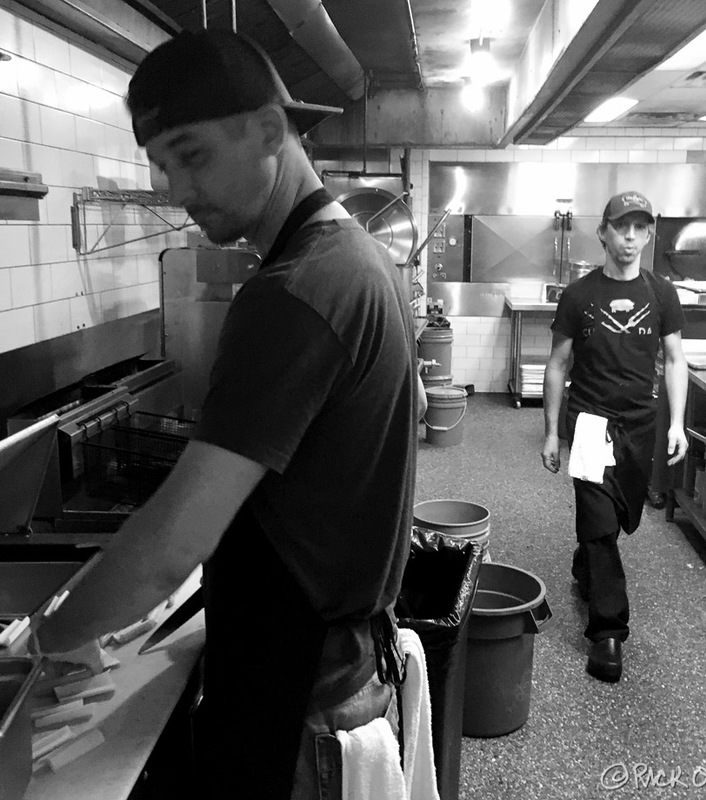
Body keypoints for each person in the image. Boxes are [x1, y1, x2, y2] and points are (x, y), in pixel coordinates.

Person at [32, 29, 418, 799]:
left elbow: (172, 544)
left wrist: (46, 640)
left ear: (271, 131)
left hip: (300, 712)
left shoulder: (295, 291)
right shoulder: (359, 257)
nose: (177, 188)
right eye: (164, 165)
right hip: (338, 672)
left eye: (193, 155)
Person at [541, 190, 688, 683]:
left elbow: (674, 360)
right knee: (601, 522)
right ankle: (608, 632)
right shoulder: (579, 296)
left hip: (640, 426)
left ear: (648, 235)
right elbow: (558, 364)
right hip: (589, 423)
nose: (630, 238)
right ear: (602, 231)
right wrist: (550, 434)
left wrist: (676, 423)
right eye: (621, 227)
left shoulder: (661, 293)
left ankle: (586, 561)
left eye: (640, 228)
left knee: (622, 517)